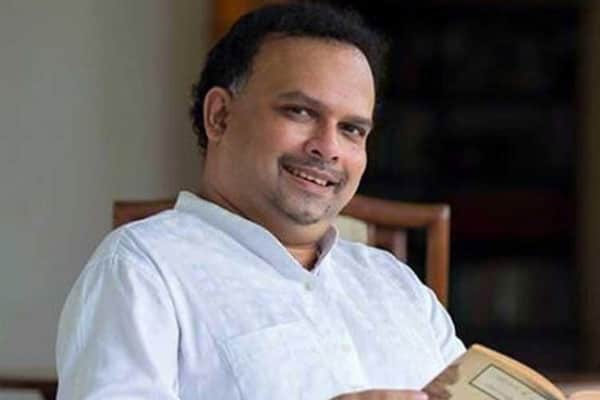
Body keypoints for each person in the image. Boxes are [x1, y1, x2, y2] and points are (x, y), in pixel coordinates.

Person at [56, 3, 465, 399]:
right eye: (300, 112)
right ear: (219, 116)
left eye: (352, 129)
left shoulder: (396, 285)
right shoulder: (144, 269)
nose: (328, 147)